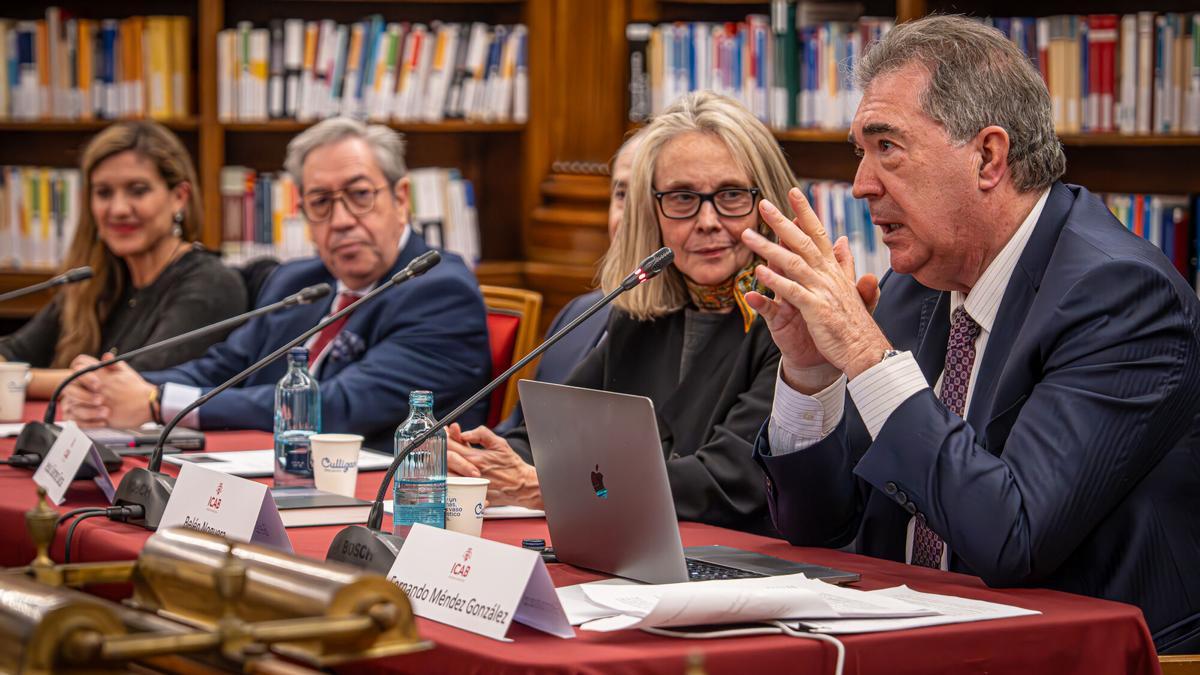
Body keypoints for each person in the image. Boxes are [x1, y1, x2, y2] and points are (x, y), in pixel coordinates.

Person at [743, 16, 1200, 653]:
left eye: (887, 147)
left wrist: (871, 360)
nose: (861, 184)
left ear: (988, 156)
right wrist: (812, 374)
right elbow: (814, 525)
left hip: (1071, 655)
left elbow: (1011, 538)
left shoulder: (1120, 296)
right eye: (860, 151)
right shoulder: (918, 284)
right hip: (912, 641)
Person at [450, 91, 791, 535]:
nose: (707, 221)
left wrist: (544, 487)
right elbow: (547, 438)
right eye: (683, 198)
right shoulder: (641, 310)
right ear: (652, 213)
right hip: (637, 555)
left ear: (768, 206)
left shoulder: (789, 321)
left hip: (745, 564)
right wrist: (470, 460)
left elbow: (726, 481)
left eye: (730, 195)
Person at [62, 117, 492, 451]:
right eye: (321, 203)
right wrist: (113, 387)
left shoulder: (439, 292)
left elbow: (337, 406)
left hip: (381, 503)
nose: (341, 220)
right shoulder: (301, 281)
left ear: (400, 199)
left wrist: (156, 401)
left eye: (360, 195)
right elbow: (224, 366)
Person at [0, 121, 245, 399]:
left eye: (137, 190)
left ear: (179, 197)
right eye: (104, 193)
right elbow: (12, 352)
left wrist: (17, 381)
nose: (118, 209)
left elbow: (126, 387)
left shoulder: (211, 285)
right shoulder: (94, 281)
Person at [494, 128, 645, 432]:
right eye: (621, 195)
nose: (629, 216)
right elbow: (521, 433)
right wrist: (474, 456)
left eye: (644, 196)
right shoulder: (579, 315)